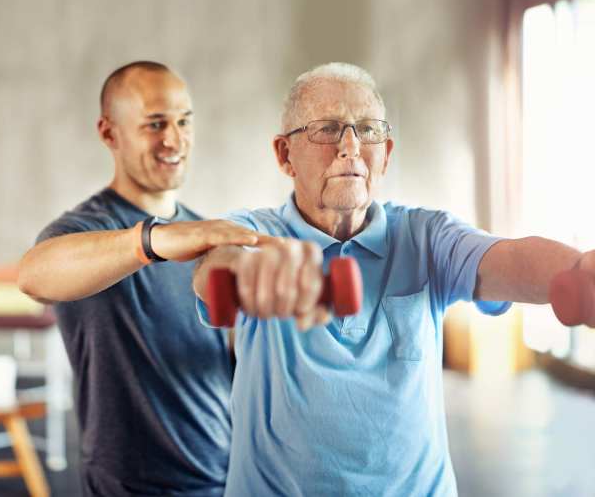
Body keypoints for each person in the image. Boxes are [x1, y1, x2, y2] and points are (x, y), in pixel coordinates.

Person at [192, 62, 595, 496]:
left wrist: (577, 272)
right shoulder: (256, 230)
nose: (350, 147)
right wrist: (245, 271)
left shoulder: (427, 237)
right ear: (284, 154)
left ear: (385, 152)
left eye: (367, 130)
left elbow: (507, 258)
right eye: (327, 128)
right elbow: (219, 260)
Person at [18, 61, 261, 497]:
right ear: (110, 134)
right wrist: (152, 242)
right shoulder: (85, 229)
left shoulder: (204, 233)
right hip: (130, 486)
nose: (174, 139)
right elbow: (34, 275)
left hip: (223, 478)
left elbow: (225, 360)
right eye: (154, 124)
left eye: (183, 121)